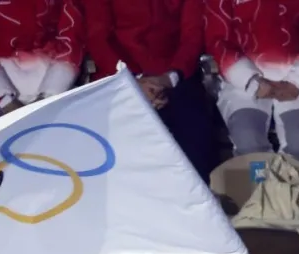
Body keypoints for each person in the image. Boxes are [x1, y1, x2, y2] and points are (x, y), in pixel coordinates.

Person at [82, 0, 215, 181]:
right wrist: (133, 81)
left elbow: (192, 35)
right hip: (118, 77)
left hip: (174, 77)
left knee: (194, 136)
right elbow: (99, 38)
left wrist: (169, 78)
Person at [203, 0, 299, 165]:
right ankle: (260, 182)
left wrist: (298, 80)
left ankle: (290, 181)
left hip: (298, 82)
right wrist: (250, 80)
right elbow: (218, 40)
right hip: (243, 84)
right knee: (249, 144)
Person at [0, 0, 85, 134]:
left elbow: (72, 39)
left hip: (54, 88)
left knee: (73, 138)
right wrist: (5, 100)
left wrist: (48, 96)